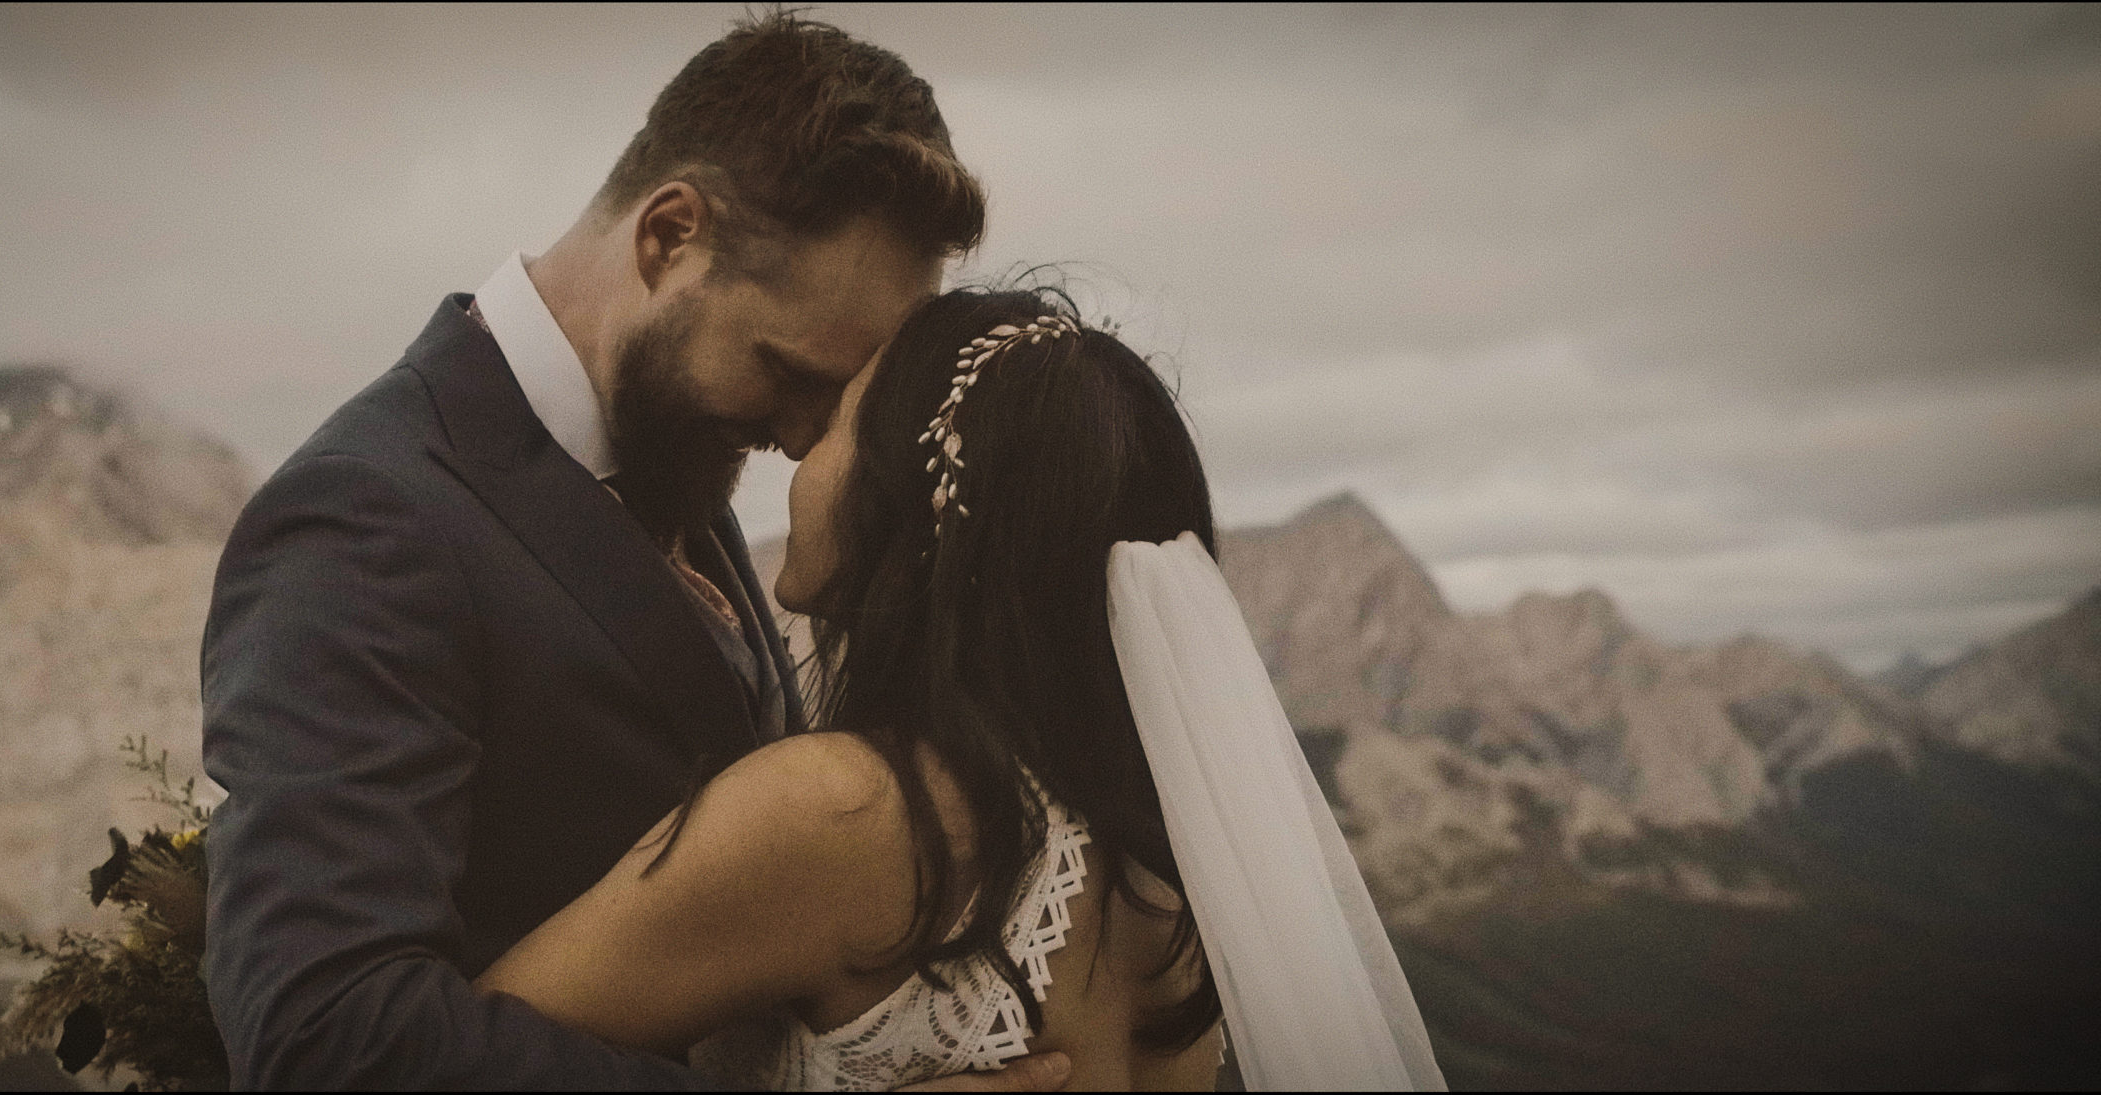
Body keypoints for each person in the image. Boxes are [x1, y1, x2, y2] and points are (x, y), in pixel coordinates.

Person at [197, 12, 1068, 1091]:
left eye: (839, 398)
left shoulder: (671, 455)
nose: (807, 437)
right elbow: (321, 1036)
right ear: (669, 238)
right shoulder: (370, 516)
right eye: (790, 372)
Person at [474, 288, 1449, 1091]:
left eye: (843, 427)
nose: (802, 454)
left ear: (910, 502)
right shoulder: (1164, 879)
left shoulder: (843, 812)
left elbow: (428, 1058)